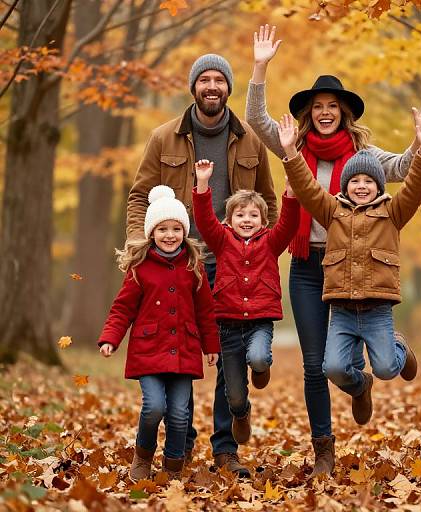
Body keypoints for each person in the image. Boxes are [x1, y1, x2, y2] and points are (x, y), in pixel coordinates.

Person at [245, 24, 421, 476]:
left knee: (340, 359)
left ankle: (364, 376)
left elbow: (407, 169)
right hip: (309, 266)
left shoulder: (362, 156)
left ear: (345, 112)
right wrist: (260, 66)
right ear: (309, 113)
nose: (326, 113)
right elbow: (256, 120)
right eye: (318, 107)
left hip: (357, 271)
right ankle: (324, 451)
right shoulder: (291, 142)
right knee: (316, 366)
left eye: (333, 106)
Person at [126, 53, 277, 477]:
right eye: (204, 80)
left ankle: (225, 449)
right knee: (184, 356)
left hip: (232, 267)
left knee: (227, 359)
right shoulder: (163, 138)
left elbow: (269, 201)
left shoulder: (250, 140)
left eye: (219, 81)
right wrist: (138, 248)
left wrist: (263, 253)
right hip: (180, 263)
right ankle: (183, 442)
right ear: (193, 87)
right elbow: (139, 196)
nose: (212, 87)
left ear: (229, 88)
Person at [278, 110, 421, 469]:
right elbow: (306, 188)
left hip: (377, 311)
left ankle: (398, 346)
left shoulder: (393, 212)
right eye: (356, 181)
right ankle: (359, 382)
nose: (363, 185)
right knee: (332, 367)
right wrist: (290, 152)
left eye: (370, 180)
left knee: (386, 367)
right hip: (341, 311)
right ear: (345, 185)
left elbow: (414, 188)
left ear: (380, 186)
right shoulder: (332, 211)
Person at [98, 185, 220, 482]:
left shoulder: (194, 266)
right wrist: (110, 338)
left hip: (184, 351)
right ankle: (143, 455)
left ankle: (173, 466)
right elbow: (122, 308)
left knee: (180, 414)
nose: (169, 235)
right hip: (148, 351)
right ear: (151, 233)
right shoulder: (140, 268)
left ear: (184, 232)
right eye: (162, 229)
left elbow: (205, 311)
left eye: (176, 229)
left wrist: (210, 345)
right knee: (153, 407)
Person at [192, 159, 300, 445]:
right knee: (235, 395)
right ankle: (242, 414)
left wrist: (291, 193)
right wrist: (202, 183)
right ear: (228, 220)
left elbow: (289, 225)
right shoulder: (222, 240)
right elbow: (203, 220)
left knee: (259, 357)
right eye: (240, 215)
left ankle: (261, 368)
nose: (247, 220)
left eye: (253, 215)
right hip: (227, 325)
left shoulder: (271, 242)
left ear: (264, 222)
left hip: (260, 323)